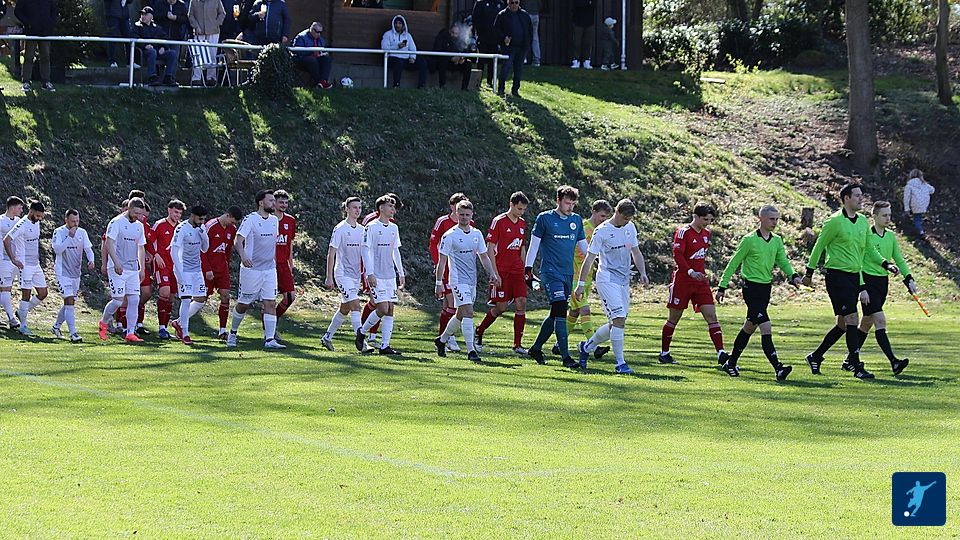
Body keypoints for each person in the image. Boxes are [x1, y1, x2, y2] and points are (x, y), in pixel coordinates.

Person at [802, 183, 898, 379]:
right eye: (857, 195)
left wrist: (885, 264)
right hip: (837, 276)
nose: (861, 199)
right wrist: (809, 273)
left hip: (855, 276)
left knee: (843, 324)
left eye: (861, 195)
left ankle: (815, 356)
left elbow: (869, 249)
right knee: (853, 319)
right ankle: (856, 365)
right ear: (846, 199)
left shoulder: (862, 221)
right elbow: (819, 247)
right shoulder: (834, 221)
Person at [715, 205, 801, 381]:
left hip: (765, 289)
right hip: (751, 289)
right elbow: (734, 263)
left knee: (749, 326)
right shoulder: (749, 240)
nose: (775, 222)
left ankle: (731, 363)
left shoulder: (777, 240)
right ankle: (778, 368)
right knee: (766, 326)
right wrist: (722, 286)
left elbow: (782, 261)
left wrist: (793, 275)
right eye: (771, 219)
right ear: (760, 219)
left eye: (777, 219)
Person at [574, 199, 649, 373]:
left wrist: (643, 272)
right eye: (625, 218)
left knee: (615, 323)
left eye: (630, 219)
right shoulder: (602, 231)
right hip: (607, 279)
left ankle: (586, 347)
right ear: (617, 212)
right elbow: (589, 259)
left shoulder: (630, 227)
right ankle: (620, 363)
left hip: (623, 281)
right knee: (619, 319)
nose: (627, 222)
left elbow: (636, 252)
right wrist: (581, 284)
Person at [845, 201, 913, 375]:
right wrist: (862, 287)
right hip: (868, 284)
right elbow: (858, 263)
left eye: (889, 215)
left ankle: (850, 360)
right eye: (884, 215)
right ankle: (894, 362)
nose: (888, 218)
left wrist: (908, 278)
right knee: (880, 321)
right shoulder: (867, 235)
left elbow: (899, 258)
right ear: (874, 216)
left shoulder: (890, 236)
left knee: (866, 322)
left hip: (882, 283)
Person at [523, 185, 588, 368]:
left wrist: (599, 259)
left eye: (573, 204)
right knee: (560, 310)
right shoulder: (545, 218)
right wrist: (528, 269)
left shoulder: (576, 220)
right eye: (567, 203)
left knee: (555, 313)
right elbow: (534, 245)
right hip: (551, 272)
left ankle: (536, 348)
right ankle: (566, 357)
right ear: (558, 200)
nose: (570, 207)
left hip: (568, 273)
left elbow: (584, 247)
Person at [659, 203, 728, 366]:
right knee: (674, 317)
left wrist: (699, 273)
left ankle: (721, 353)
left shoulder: (706, 234)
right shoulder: (683, 232)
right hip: (683, 281)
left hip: (700, 282)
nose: (707, 223)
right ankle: (664, 353)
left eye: (710, 220)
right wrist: (690, 272)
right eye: (705, 219)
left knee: (711, 316)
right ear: (695, 216)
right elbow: (678, 255)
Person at [434, 200, 501, 362]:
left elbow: (483, 256)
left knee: (460, 314)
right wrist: (438, 283)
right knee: (469, 312)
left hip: (472, 280)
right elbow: (442, 261)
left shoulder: (476, 234)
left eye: (467, 215)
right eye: (461, 214)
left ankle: (441, 340)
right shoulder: (449, 235)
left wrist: (492, 273)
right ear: (456, 214)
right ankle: (471, 351)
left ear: (472, 215)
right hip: (457, 280)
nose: (464, 217)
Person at [226, 190, 285, 349]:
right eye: (270, 200)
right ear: (261, 202)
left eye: (274, 200)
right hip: (251, 270)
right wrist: (243, 256)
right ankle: (232, 333)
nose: (273, 203)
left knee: (270, 302)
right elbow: (238, 241)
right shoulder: (250, 219)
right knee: (244, 304)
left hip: (269, 269)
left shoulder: (274, 220)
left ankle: (269, 340)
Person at [475, 191, 528, 355]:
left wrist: (526, 269)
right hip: (502, 271)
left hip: (517, 271)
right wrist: (494, 272)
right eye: (519, 208)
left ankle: (517, 344)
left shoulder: (522, 224)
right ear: (511, 205)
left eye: (523, 210)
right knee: (501, 307)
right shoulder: (499, 222)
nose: (521, 212)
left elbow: (522, 247)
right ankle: (479, 330)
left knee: (521, 303)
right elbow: (490, 248)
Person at [558, 199, 611, 356]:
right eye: (602, 216)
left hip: (587, 278)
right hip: (574, 277)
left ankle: (558, 344)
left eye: (606, 217)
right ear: (594, 212)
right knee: (585, 309)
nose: (604, 220)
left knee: (574, 312)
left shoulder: (601, 231)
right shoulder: (581, 227)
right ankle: (592, 345)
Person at [355, 195, 406, 356]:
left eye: (394, 207)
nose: (393, 209)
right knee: (382, 308)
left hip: (389, 275)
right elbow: (365, 250)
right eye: (390, 206)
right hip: (376, 275)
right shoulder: (371, 227)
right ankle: (362, 332)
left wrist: (401, 272)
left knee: (390, 309)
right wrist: (370, 273)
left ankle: (385, 346)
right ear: (381, 208)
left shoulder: (394, 228)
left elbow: (395, 250)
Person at [99, 198, 148, 343]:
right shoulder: (117, 222)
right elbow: (108, 242)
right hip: (118, 267)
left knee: (134, 299)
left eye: (141, 214)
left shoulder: (139, 226)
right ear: (129, 209)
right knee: (117, 301)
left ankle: (130, 333)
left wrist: (142, 268)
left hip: (132, 268)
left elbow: (141, 247)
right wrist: (116, 262)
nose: (139, 216)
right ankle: (104, 322)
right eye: (136, 213)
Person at [429, 192, 471, 352]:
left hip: (462, 272)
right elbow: (433, 244)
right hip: (447, 270)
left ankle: (442, 339)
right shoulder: (443, 222)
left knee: (449, 306)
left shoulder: (469, 224)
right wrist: (437, 263)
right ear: (453, 206)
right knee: (452, 303)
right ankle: (449, 338)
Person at [321, 197, 365, 351]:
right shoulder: (340, 228)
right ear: (346, 209)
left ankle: (327, 337)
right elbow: (331, 253)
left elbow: (366, 253)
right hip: (342, 274)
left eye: (359, 207)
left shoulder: (362, 230)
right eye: (354, 207)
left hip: (355, 275)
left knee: (345, 308)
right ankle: (361, 341)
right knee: (356, 305)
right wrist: (329, 277)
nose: (357, 210)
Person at [51, 209, 95, 342]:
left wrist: (91, 260)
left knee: (70, 303)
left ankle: (56, 327)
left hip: (75, 273)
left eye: (77, 221)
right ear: (66, 220)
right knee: (69, 300)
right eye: (72, 221)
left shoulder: (82, 232)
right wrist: (69, 237)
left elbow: (88, 249)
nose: (75, 224)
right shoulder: (59, 232)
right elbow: (57, 249)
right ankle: (73, 333)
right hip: (62, 272)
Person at [3, 201, 47, 335]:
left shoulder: (36, 222)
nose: (39, 218)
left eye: (41, 216)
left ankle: (21, 312)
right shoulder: (21, 225)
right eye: (37, 215)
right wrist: (13, 259)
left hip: (36, 264)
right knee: (26, 295)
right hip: (25, 265)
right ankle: (23, 325)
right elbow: (6, 240)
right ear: (31, 211)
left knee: (43, 293)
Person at [170, 205, 210, 345]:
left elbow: (205, 249)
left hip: (196, 269)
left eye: (204, 219)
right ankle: (185, 333)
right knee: (186, 299)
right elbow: (174, 251)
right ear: (192, 216)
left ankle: (179, 322)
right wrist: (179, 271)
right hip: (184, 269)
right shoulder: (181, 228)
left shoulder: (201, 228)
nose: (202, 222)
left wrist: (204, 235)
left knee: (200, 300)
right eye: (200, 219)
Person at [202, 206, 242, 339]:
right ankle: (182, 324)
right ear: (227, 215)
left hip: (222, 269)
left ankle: (222, 331)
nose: (233, 224)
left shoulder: (232, 229)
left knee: (225, 296)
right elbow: (202, 250)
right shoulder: (210, 226)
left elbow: (228, 250)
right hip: (209, 269)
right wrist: (207, 269)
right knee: (201, 299)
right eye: (232, 221)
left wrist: (226, 265)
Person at [153, 199, 185, 338]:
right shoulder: (159, 225)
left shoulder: (181, 227)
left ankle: (165, 328)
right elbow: (149, 241)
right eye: (176, 212)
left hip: (175, 267)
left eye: (180, 213)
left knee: (171, 298)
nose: (177, 215)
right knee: (164, 293)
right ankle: (161, 328)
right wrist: (156, 255)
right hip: (162, 265)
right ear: (169, 210)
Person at [15, 0, 57, 92]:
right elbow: (17, 11)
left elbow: (54, 10)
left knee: (45, 57)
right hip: (31, 32)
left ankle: (46, 82)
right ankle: (26, 82)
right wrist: (28, 23)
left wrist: (50, 23)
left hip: (45, 32)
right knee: (28, 57)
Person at [131, 6, 180, 87]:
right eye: (142, 14)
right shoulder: (137, 26)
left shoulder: (157, 28)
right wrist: (145, 45)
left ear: (151, 16)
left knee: (172, 53)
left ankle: (168, 77)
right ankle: (152, 77)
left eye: (145, 14)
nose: (143, 16)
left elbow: (164, 38)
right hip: (144, 52)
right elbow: (134, 37)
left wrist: (163, 47)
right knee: (152, 52)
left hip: (157, 51)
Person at [493, 0, 533, 97]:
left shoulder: (525, 15)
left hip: (522, 47)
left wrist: (528, 44)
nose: (514, 5)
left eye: (516, 2)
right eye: (512, 2)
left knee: (518, 69)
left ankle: (515, 90)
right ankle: (501, 89)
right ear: (508, 3)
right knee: (506, 68)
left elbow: (530, 30)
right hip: (509, 47)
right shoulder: (502, 15)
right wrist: (503, 38)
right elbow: (496, 30)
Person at [381, 15, 427, 89]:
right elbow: (384, 47)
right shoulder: (388, 34)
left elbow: (413, 48)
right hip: (393, 58)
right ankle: (396, 85)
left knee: (422, 62)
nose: (397, 25)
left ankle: (421, 86)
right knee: (399, 62)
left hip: (406, 59)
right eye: (396, 23)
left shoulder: (408, 36)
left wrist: (413, 57)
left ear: (403, 25)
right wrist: (397, 46)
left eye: (400, 23)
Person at [187, 0, 226, 85]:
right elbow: (190, 15)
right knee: (197, 55)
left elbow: (222, 13)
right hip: (199, 32)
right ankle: (196, 78)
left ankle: (211, 78)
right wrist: (195, 26)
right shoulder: (193, 1)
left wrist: (216, 24)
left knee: (212, 55)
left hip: (213, 32)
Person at [0, 196, 25, 329]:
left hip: (15, 261)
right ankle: (11, 319)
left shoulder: (19, 222)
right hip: (3, 260)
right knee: (6, 289)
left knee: (6, 289)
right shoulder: (1, 221)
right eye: (20, 208)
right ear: (13, 207)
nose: (21, 210)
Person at [273, 189, 297, 324]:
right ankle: (268, 327)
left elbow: (290, 243)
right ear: (274, 203)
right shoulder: (268, 219)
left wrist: (290, 262)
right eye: (281, 202)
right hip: (269, 264)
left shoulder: (290, 220)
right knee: (268, 299)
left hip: (283, 264)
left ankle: (272, 321)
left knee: (290, 297)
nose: (283, 205)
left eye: (286, 203)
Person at [471, 0, 504, 87]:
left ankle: (490, 82)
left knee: (492, 61)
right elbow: (475, 18)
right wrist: (480, 30)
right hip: (483, 37)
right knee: (481, 59)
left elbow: (503, 19)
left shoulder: (500, 3)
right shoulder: (480, 2)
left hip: (495, 38)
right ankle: (478, 81)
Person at [432, 23, 473, 91]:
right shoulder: (442, 37)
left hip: (458, 63)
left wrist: (462, 58)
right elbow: (439, 51)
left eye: (456, 33)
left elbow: (465, 50)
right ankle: (442, 86)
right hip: (445, 62)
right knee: (443, 61)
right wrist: (451, 58)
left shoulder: (461, 39)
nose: (454, 35)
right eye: (452, 33)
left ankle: (464, 88)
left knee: (468, 64)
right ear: (449, 31)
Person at [293, 22, 334, 89]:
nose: (319, 34)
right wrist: (311, 52)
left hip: (316, 59)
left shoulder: (320, 39)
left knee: (327, 59)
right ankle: (320, 82)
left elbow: (323, 50)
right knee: (312, 60)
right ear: (312, 29)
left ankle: (322, 82)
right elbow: (296, 51)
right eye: (317, 32)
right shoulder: (301, 37)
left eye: (320, 32)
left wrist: (323, 53)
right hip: (302, 60)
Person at [903, 169, 935, 237]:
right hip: (924, 204)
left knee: (916, 219)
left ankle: (921, 232)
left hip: (915, 204)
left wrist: (907, 209)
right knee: (918, 217)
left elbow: (906, 198)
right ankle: (919, 229)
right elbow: (932, 190)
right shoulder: (924, 184)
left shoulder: (909, 185)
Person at [104, 0, 132, 68]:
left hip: (124, 15)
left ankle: (130, 62)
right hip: (112, 14)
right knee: (113, 37)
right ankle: (112, 61)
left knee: (129, 37)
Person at [570, 0, 594, 69]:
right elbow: (576, 4)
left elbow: (593, 5)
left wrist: (583, 3)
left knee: (588, 43)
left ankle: (586, 61)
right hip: (578, 22)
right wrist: (587, 3)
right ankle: (576, 61)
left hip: (589, 22)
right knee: (577, 43)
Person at [524, 0, 541, 67]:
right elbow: (540, 4)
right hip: (535, 14)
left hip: (526, 14)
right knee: (535, 38)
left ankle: (523, 57)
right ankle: (536, 60)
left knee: (524, 36)